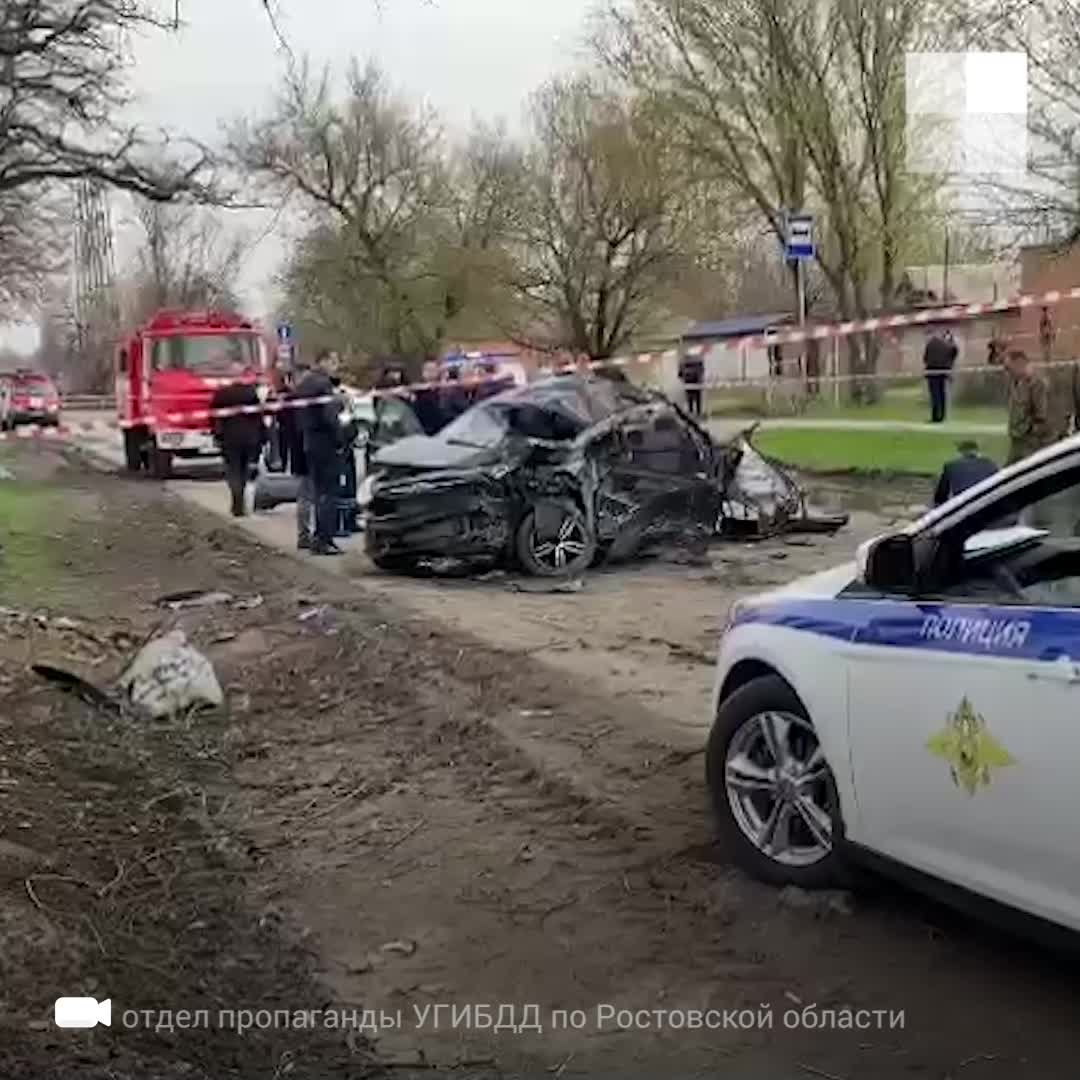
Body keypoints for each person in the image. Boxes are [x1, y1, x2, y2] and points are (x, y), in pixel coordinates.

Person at [296, 350, 345, 555]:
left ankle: (319, 538)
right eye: (334, 361)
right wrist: (341, 437)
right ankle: (324, 539)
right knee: (328, 493)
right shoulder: (323, 384)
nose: (337, 365)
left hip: (310, 442)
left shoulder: (305, 383)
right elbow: (329, 417)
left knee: (317, 492)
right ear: (323, 361)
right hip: (325, 443)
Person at [210, 364, 265, 517]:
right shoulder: (251, 393)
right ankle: (242, 500)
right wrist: (262, 436)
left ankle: (237, 503)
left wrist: (216, 434)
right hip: (249, 438)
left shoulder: (222, 393)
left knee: (233, 470)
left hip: (230, 438)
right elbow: (258, 416)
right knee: (245, 470)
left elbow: (214, 416)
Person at [281, 362, 314, 549]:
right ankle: (305, 534)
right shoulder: (301, 398)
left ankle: (304, 534)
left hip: (297, 451)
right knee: (308, 495)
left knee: (305, 495)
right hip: (306, 450)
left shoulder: (289, 399)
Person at [1005, 348, 1053, 465]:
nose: (1007, 372)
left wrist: (1030, 431)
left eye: (1009, 368)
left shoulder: (1037, 383)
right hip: (1017, 440)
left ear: (1019, 364)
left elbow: (1041, 415)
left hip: (1030, 442)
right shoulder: (1015, 382)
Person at [933, 440, 998, 507]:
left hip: (963, 504)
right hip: (987, 503)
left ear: (961, 452)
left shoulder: (951, 465)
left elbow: (942, 494)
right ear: (977, 451)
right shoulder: (990, 464)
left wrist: (940, 505)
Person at [923, 328, 958, 423]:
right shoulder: (946, 344)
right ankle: (942, 415)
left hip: (932, 372)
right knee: (942, 394)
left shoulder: (930, 344)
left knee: (935, 395)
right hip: (943, 372)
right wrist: (949, 365)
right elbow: (954, 352)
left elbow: (925, 358)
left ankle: (935, 417)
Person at [679, 351, 704, 417]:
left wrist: (684, 379)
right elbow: (701, 371)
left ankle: (693, 412)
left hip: (690, 383)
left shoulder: (683, 363)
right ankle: (697, 412)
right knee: (696, 398)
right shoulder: (696, 362)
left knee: (691, 398)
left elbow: (680, 375)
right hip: (695, 383)